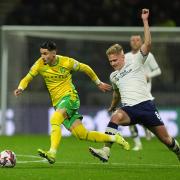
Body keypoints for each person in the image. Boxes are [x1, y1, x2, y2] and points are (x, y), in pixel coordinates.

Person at [14, 41, 130, 164]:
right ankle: (115, 138)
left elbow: (85, 68)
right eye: (41, 54)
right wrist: (21, 88)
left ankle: (52, 153)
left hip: (70, 97)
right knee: (82, 134)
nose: (42, 57)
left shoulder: (67, 62)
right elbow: (27, 78)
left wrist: (98, 83)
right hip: (58, 103)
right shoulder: (39, 64)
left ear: (53, 53)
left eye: (45, 53)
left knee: (55, 119)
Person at [89, 9, 180, 162]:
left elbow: (148, 43)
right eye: (110, 61)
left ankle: (178, 153)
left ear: (122, 56)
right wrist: (113, 105)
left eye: (115, 60)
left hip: (146, 106)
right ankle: (105, 151)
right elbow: (117, 93)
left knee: (166, 139)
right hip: (129, 109)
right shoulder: (113, 76)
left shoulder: (136, 61)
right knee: (116, 116)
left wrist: (145, 20)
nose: (112, 64)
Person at [127, 35, 162, 151]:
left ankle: (148, 128)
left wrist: (148, 75)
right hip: (130, 93)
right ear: (130, 42)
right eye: (132, 40)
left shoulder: (149, 55)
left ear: (142, 42)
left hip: (145, 94)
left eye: (137, 40)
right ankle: (137, 144)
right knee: (130, 119)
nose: (135, 42)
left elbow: (158, 70)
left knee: (146, 118)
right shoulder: (126, 57)